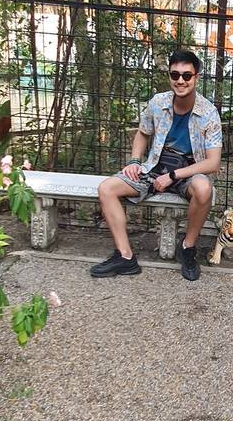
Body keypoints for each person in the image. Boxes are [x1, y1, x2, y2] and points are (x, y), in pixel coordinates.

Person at [90, 49, 222, 282]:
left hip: (187, 173)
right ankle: (125, 257)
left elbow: (213, 162)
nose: (180, 80)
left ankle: (188, 247)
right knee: (106, 188)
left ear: (196, 77)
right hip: (154, 168)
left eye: (186, 75)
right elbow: (143, 133)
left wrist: (173, 175)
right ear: (170, 76)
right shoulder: (158, 103)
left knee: (204, 188)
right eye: (175, 75)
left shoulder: (208, 113)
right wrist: (134, 161)